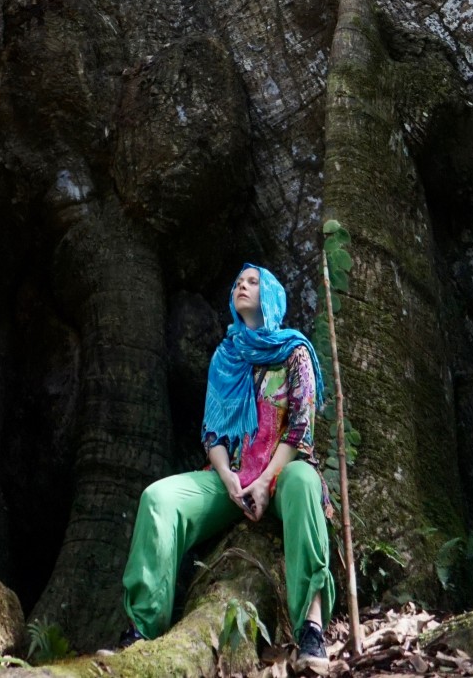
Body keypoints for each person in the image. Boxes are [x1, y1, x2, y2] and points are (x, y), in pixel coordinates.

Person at [116, 263, 335, 675]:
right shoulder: (226, 355)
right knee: (157, 498)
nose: (241, 286)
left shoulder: (295, 352)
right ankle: (144, 629)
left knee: (306, 484)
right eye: (237, 282)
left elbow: (301, 430)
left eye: (252, 282)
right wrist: (229, 478)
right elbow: (212, 432)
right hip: (230, 477)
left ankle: (312, 627)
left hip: (284, 473)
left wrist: (267, 481)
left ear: (270, 295)